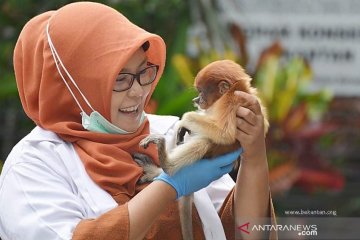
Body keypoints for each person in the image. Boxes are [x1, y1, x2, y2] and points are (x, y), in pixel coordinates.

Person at [0, 2, 276, 240]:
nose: (138, 90)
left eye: (144, 71)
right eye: (119, 79)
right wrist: (169, 187)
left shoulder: (169, 131)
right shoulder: (33, 166)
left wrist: (253, 156)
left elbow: (246, 230)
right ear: (75, 88)